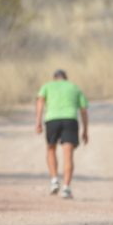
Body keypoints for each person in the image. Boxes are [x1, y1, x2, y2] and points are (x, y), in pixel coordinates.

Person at [35, 69, 89, 199]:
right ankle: (66, 188)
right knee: (68, 154)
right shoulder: (75, 87)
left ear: (55, 78)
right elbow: (83, 110)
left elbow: (40, 103)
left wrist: (38, 122)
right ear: (66, 78)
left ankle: (54, 180)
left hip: (52, 120)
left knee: (51, 149)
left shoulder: (47, 86)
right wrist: (85, 131)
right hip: (70, 120)